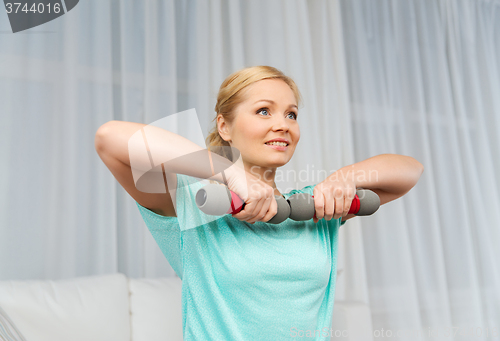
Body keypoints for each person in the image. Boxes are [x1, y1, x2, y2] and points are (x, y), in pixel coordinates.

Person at [94, 65, 424, 340]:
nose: (282, 124)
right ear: (224, 125)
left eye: (291, 114)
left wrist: (344, 178)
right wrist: (228, 172)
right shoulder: (193, 204)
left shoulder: (317, 208)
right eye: (264, 110)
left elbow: (410, 171)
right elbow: (110, 138)